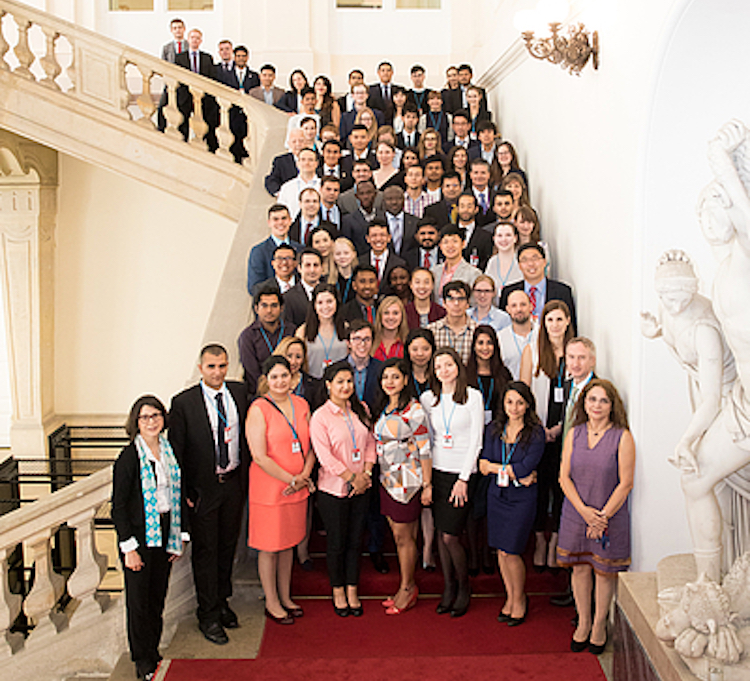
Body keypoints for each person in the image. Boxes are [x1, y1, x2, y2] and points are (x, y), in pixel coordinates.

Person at [169, 344, 249, 645]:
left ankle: (222, 602)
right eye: (212, 366)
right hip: (203, 490)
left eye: (223, 366)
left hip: (232, 485)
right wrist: (186, 492)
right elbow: (177, 452)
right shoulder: (184, 403)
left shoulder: (239, 394)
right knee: (206, 552)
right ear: (201, 368)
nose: (218, 372)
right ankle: (208, 614)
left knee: (228, 547)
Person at [558, 379, 635, 655]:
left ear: (612, 405)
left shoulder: (622, 436)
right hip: (577, 512)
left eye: (603, 400)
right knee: (579, 568)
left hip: (608, 516)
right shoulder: (574, 434)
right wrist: (584, 513)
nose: (597, 405)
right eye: (592, 399)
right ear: (584, 403)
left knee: (604, 572)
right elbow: (563, 477)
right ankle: (584, 621)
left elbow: (625, 483)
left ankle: (600, 625)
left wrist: (600, 517)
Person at [112, 395, 187, 680]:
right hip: (139, 537)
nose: (151, 421)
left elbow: (179, 494)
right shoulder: (129, 457)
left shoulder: (170, 451)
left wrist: (178, 537)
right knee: (139, 602)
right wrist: (129, 548)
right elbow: (118, 506)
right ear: (136, 422)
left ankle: (153, 651)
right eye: (145, 417)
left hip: (165, 530)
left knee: (157, 597)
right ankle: (141, 659)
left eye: (156, 415)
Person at [246, 356, 315, 625]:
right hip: (271, 487)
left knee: (288, 544)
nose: (280, 381)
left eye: (284, 375)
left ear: (293, 378)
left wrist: (305, 475)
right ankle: (272, 601)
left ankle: (286, 597)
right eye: (274, 377)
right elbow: (260, 456)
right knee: (269, 546)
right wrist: (291, 479)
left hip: (298, 484)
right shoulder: (259, 409)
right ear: (266, 380)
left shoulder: (302, 404)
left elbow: (310, 446)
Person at [419, 347, 483, 617]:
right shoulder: (428, 398)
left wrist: (464, 479)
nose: (444, 370)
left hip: (461, 475)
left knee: (450, 535)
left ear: (458, 366)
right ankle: (448, 588)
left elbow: (476, 441)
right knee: (440, 536)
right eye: (439, 366)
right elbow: (426, 440)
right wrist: (427, 480)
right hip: (437, 473)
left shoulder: (472, 397)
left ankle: (464, 588)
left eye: (449, 364)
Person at [310, 361, 376, 617]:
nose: (345, 386)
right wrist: (352, 477)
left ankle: (352, 588)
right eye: (340, 382)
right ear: (328, 385)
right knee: (337, 543)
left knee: (354, 540)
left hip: (362, 486)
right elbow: (324, 457)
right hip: (333, 490)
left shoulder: (361, 409)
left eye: (349, 381)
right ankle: (337, 590)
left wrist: (366, 474)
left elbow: (371, 443)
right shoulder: (321, 417)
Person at [479, 382, 545, 626]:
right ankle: (509, 597)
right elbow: (483, 462)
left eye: (519, 402)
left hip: (521, 500)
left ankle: (520, 599)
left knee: (513, 550)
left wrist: (498, 468)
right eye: (509, 402)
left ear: (527, 404)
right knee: (501, 550)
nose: (514, 407)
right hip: (497, 496)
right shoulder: (493, 429)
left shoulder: (535, 432)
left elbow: (526, 467)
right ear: (503, 403)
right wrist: (510, 470)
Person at [373, 358, 432, 614]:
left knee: (404, 536)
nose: (390, 382)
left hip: (408, 481)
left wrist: (427, 484)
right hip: (387, 480)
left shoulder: (414, 410)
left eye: (395, 377)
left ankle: (408, 587)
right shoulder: (385, 407)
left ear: (406, 380)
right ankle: (404, 585)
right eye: (386, 377)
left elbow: (425, 448)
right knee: (398, 536)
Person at [520, 300, 573, 571]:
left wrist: (560, 428)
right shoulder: (533, 351)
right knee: (539, 491)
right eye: (549, 320)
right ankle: (540, 540)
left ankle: (557, 543)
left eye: (559, 320)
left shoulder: (575, 353)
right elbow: (524, 394)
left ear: (567, 322)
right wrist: (540, 427)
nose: (554, 325)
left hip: (566, 434)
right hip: (538, 433)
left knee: (561, 490)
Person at [404, 329, 438, 570]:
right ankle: (413, 546)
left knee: (429, 500)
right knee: (412, 501)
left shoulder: (440, 375)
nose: (420, 354)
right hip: (406, 452)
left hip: (435, 447)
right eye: (415, 349)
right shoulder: (401, 377)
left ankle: (428, 548)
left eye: (425, 349)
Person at [498, 243, 577, 333]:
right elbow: (504, 324)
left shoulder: (562, 291)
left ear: (544, 262)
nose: (531, 264)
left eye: (535, 259)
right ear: (519, 266)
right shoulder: (508, 292)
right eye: (525, 260)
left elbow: (571, 328)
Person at [238, 284, 296, 396]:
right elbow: (252, 372)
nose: (269, 311)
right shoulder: (248, 336)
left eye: (274, 306)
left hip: (290, 390)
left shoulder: (292, 331)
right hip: (261, 393)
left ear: (282, 308)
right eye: (264, 306)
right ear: (256, 308)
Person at [174, 29, 219, 151]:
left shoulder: (207, 58)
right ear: (188, 39)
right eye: (192, 37)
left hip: (204, 97)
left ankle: (210, 148)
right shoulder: (179, 58)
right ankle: (182, 146)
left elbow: (211, 78)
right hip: (185, 96)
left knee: (207, 122)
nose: (195, 40)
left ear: (201, 41)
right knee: (183, 122)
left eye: (197, 38)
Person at [296, 283, 348, 379]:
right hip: (312, 382)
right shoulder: (303, 331)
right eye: (320, 303)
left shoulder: (346, 328)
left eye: (329, 301)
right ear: (314, 305)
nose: (325, 306)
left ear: (337, 302)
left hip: (340, 384)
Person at [247, 205, 301, 296]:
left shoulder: (300, 249)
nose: (280, 223)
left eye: (284, 218)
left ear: (290, 221)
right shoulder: (258, 252)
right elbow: (254, 287)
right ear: (269, 223)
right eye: (275, 219)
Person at [430, 225, 482, 306]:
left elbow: (475, 304)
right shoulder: (434, 272)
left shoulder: (474, 274)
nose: (450, 246)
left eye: (455, 241)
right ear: (440, 246)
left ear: (463, 244)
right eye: (446, 242)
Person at [498, 290, 537, 381]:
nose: (519, 309)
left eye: (523, 304)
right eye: (514, 306)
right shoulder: (500, 338)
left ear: (531, 307)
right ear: (508, 309)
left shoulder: (542, 334)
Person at [345, 319, 383, 413]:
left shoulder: (381, 369)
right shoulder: (336, 370)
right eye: (357, 339)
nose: (363, 344)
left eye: (367, 339)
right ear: (348, 343)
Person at [358, 220, 407, 292]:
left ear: (389, 238)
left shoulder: (400, 263)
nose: (378, 239)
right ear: (367, 239)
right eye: (374, 235)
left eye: (382, 235)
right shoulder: (359, 262)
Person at [156, 18, 187, 131]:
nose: (177, 30)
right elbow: (163, 64)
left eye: (179, 28)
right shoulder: (166, 48)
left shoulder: (189, 45)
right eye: (175, 28)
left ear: (184, 29)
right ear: (171, 30)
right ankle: (161, 129)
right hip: (170, 83)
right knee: (162, 107)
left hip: (185, 84)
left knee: (184, 110)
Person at [341, 180, 384, 255]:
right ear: (356, 196)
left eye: (369, 192)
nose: (366, 197)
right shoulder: (348, 220)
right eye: (361, 193)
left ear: (375, 194)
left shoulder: (384, 217)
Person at [277, 148, 322, 220]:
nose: (307, 163)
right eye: (303, 160)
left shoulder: (323, 186)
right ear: (297, 163)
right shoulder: (287, 187)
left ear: (316, 164)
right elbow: (280, 212)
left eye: (310, 160)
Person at [283, 248, 323, 328]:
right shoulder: (288, 298)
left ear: (322, 268)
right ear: (299, 268)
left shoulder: (332, 292)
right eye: (307, 265)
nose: (312, 270)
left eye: (316, 265)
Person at [456, 192, 494, 270]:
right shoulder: (448, 232)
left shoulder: (486, 236)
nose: (465, 210)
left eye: (469, 206)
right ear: (457, 209)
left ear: (476, 209)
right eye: (462, 206)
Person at [486, 221, 523, 298]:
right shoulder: (492, 262)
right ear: (494, 238)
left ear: (515, 238)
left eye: (508, 235)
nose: (504, 239)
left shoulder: (521, 261)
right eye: (499, 235)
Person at [265, 128, 306, 196]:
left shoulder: (317, 158)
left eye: (301, 141)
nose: (298, 144)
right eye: (294, 142)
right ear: (289, 144)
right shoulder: (280, 161)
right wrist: (280, 193)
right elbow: (272, 180)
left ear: (306, 142)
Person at [340, 264, 379, 329]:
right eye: (362, 281)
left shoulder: (383, 307)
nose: (367, 286)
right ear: (354, 285)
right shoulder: (345, 312)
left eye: (371, 281)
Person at [383, 185, 419, 256]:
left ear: (404, 200)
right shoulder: (376, 221)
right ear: (383, 201)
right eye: (389, 199)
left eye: (398, 198)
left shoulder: (415, 222)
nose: (394, 202)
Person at [372, 296, 408, 361]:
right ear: (380, 316)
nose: (391, 317)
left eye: (395, 313)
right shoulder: (371, 340)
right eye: (386, 313)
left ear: (402, 316)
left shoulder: (408, 342)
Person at [469, 159, 495, 227]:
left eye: (483, 173)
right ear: (471, 175)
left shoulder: (496, 196)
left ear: (489, 175)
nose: (479, 176)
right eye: (476, 173)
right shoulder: (464, 196)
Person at [333, 236, 358, 304]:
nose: (342, 257)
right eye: (338, 254)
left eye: (346, 253)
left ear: (353, 254)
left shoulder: (359, 278)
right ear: (333, 256)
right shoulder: (327, 280)